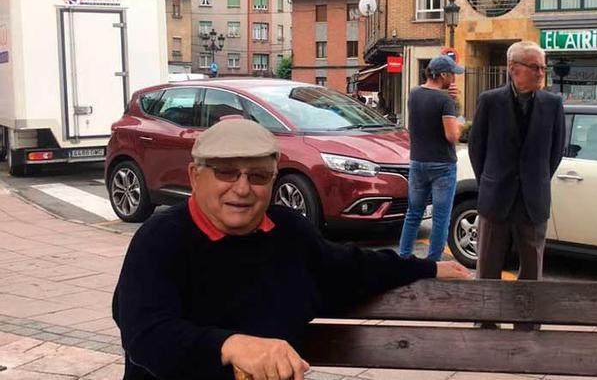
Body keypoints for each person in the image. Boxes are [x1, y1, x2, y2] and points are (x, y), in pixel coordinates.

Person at [112, 119, 470, 380]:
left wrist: (428, 268)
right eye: (226, 173)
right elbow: (147, 335)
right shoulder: (160, 239)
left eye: (257, 176)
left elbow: (353, 267)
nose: (242, 188)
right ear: (194, 175)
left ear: (272, 180)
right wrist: (233, 346)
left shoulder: (288, 232)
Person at [468, 41, 565, 327]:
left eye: (543, 68)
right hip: (496, 194)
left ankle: (527, 320)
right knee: (487, 264)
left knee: (532, 267)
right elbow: (477, 149)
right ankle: (486, 319)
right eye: (534, 67)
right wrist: (489, 181)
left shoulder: (552, 104)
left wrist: (535, 180)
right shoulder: (490, 101)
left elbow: (555, 152)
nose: (540, 73)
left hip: (533, 198)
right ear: (513, 69)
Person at [399, 55, 464, 261]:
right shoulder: (444, 100)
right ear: (443, 75)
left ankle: (404, 258)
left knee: (413, 214)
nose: (454, 78)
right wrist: (458, 112)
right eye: (452, 74)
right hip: (442, 165)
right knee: (440, 218)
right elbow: (452, 136)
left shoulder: (414, 93)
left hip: (417, 161)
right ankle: (433, 263)